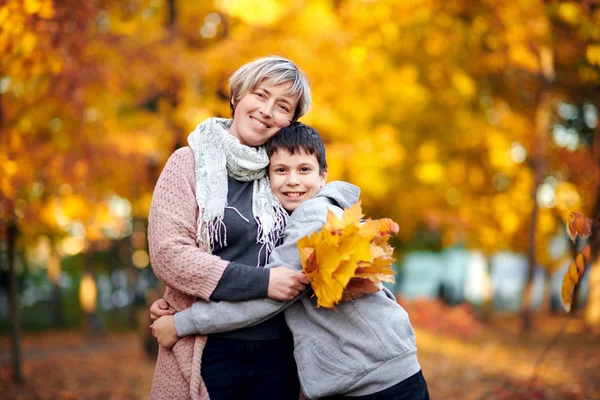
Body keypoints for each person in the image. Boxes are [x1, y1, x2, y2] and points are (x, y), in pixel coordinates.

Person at [151, 123, 430, 400]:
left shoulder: (312, 216)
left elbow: (272, 297)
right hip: (377, 369)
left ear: (323, 176)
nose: (293, 180)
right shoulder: (323, 212)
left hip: (376, 380)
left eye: (304, 170)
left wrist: (181, 323)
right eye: (281, 170)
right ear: (267, 177)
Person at [147, 56, 312, 400]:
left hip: (281, 354)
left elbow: (316, 241)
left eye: (282, 106)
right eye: (260, 95)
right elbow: (169, 254)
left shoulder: (286, 174)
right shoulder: (188, 163)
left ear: (290, 121)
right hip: (207, 350)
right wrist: (263, 282)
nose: (267, 110)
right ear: (237, 95)